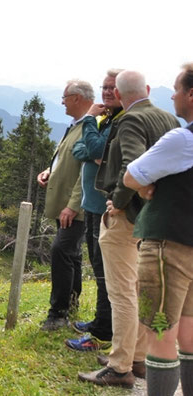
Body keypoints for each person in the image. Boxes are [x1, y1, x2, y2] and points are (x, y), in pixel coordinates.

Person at [79, 70, 180, 388]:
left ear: (120, 97)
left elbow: (132, 165)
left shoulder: (130, 121)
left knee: (122, 292)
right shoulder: (168, 120)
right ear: (148, 89)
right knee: (137, 289)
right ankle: (136, 358)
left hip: (128, 218)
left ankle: (119, 366)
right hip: (155, 217)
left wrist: (119, 201)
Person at [123, 63, 193, 396]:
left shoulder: (182, 139)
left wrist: (145, 188)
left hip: (169, 246)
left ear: (192, 95)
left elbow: (132, 176)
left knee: (160, 333)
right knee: (190, 335)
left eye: (177, 89)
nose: (173, 95)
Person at [65, 71, 121, 352]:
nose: (108, 92)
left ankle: (102, 332)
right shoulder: (105, 118)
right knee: (99, 271)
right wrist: (93, 147)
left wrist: (87, 120)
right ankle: (100, 321)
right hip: (92, 206)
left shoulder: (117, 120)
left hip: (104, 207)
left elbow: (100, 151)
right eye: (105, 87)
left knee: (103, 271)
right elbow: (80, 149)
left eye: (113, 87)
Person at [37, 79, 90, 331]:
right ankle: (71, 302)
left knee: (61, 250)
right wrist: (50, 171)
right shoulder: (75, 126)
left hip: (75, 206)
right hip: (66, 203)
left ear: (77, 98)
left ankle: (58, 314)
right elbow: (66, 160)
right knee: (72, 254)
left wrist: (73, 205)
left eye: (65, 97)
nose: (62, 102)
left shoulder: (91, 126)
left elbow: (86, 172)